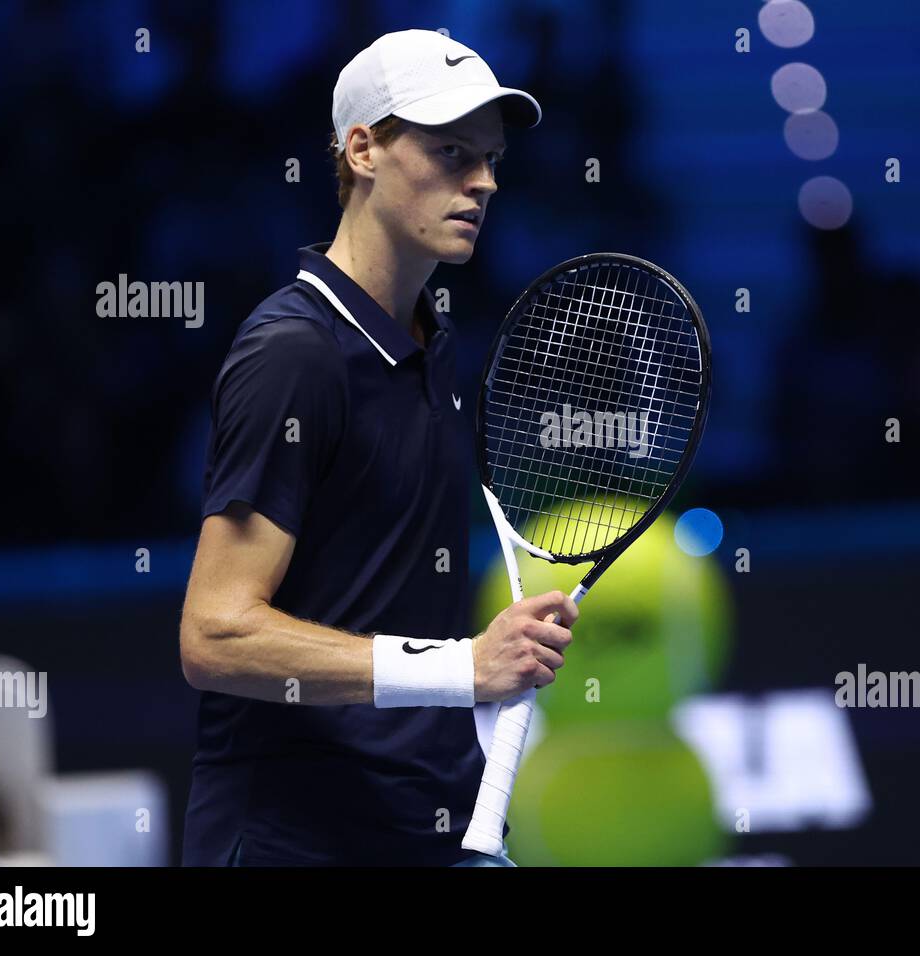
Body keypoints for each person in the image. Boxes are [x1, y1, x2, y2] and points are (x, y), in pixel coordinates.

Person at [178, 29, 577, 867]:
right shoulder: (293, 354)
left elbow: (381, 600)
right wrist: (462, 667)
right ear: (362, 149)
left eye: (492, 158)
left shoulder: (438, 341)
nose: (484, 182)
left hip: (423, 829)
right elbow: (214, 636)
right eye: (450, 151)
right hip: (291, 843)